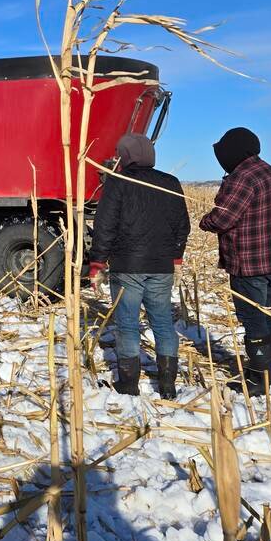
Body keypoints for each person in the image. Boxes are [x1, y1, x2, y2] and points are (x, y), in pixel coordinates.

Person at [89, 133, 190, 399]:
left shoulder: (118, 182)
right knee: (163, 322)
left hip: (128, 267)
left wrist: (97, 261)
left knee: (128, 324)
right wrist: (176, 257)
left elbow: (105, 226)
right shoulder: (170, 183)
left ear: (125, 156)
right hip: (161, 267)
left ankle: (129, 384)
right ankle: (168, 385)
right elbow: (183, 227)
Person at [199, 127, 271, 397]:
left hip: (249, 262)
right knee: (267, 312)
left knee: (252, 317)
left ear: (233, 153)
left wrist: (206, 221)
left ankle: (259, 377)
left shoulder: (242, 178)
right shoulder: (269, 171)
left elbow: (223, 219)